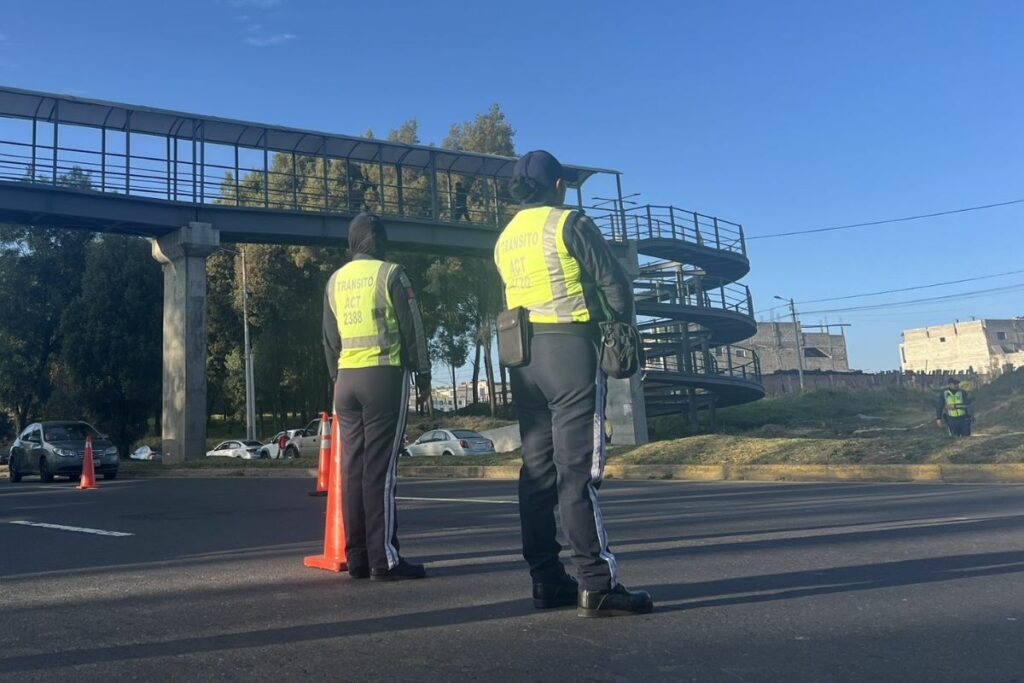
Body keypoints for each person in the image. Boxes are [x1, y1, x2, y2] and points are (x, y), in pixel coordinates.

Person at [493, 149, 653, 618]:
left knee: (537, 470)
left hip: (523, 359)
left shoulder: (504, 239)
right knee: (578, 471)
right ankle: (597, 583)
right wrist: (621, 335)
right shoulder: (569, 222)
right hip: (569, 351)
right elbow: (614, 284)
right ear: (558, 186)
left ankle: (547, 580)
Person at [323, 213, 432, 581]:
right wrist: (424, 373)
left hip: (346, 381)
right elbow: (412, 325)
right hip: (384, 376)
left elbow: (328, 339)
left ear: (352, 243)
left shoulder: (334, 281)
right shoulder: (391, 273)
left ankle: (356, 558)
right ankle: (385, 560)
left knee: (352, 469)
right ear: (380, 242)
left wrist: (336, 376)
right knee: (380, 472)